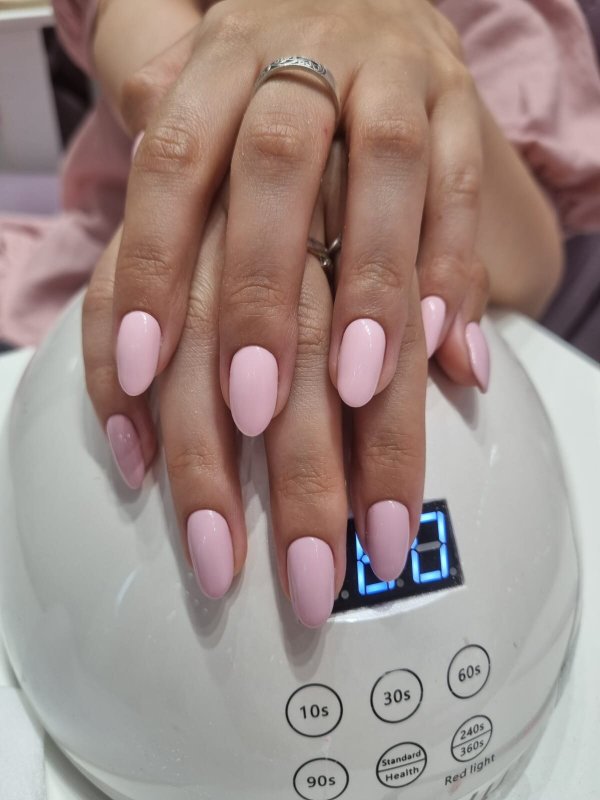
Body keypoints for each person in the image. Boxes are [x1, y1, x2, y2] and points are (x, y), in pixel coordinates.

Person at [4, 0, 600, 626]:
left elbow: (532, 267)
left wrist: (414, 66)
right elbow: (141, 41)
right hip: (141, 277)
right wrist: (264, 130)